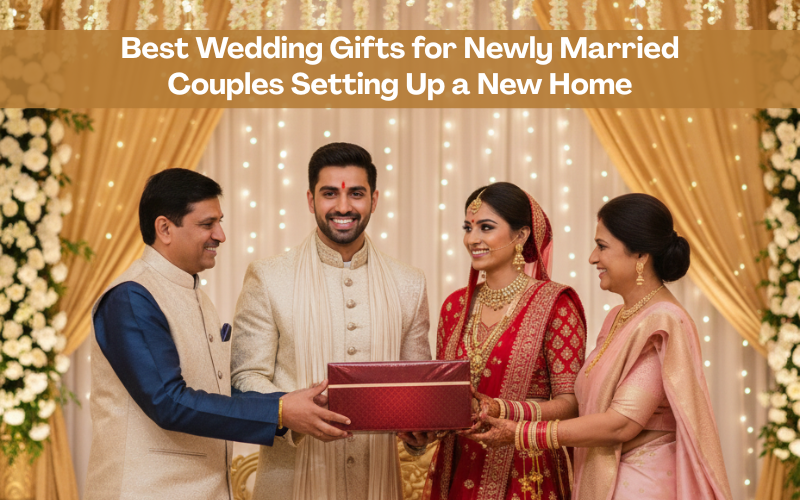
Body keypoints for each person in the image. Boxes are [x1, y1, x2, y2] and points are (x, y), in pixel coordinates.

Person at [86, 169, 351, 500]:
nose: (221, 235)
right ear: (164, 228)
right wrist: (280, 412)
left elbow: (214, 392)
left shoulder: (194, 293)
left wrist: (291, 404)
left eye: (219, 222)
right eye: (207, 224)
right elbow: (168, 401)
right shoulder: (131, 296)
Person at [468, 193, 732, 500]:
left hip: (644, 484)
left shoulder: (663, 322)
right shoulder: (618, 317)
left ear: (640, 256)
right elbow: (585, 406)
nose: (593, 257)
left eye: (602, 246)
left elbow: (619, 424)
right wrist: (500, 407)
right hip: (609, 475)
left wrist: (519, 435)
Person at [231, 142, 432, 500]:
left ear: (374, 199)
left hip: (378, 481)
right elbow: (245, 376)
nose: (343, 207)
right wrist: (288, 409)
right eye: (329, 194)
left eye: (356, 193)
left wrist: (418, 431)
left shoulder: (409, 283)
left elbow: (413, 384)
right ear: (310, 200)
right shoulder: (268, 277)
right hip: (289, 482)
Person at [423, 182, 587, 500]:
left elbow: (571, 405)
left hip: (527, 472)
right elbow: (446, 396)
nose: (472, 239)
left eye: (486, 227)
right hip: (459, 468)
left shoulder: (555, 304)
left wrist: (502, 409)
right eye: (468, 228)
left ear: (521, 235)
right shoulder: (455, 307)